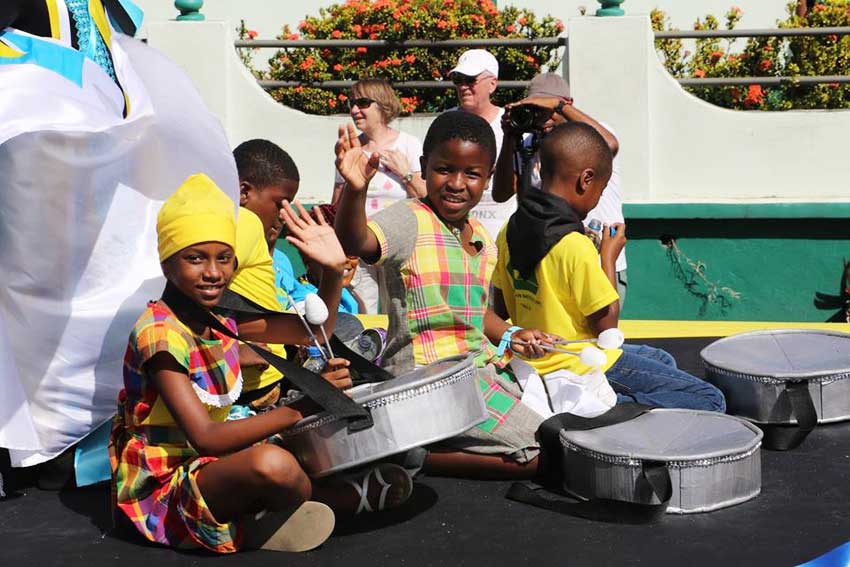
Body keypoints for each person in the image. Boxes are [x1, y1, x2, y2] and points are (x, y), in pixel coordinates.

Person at [109, 174, 412, 554]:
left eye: (224, 258)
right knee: (275, 465)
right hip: (170, 478)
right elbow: (204, 437)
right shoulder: (159, 333)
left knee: (305, 444)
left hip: (217, 460)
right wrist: (308, 403)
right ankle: (340, 499)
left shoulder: (218, 314)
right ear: (167, 264)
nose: (214, 273)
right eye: (195, 258)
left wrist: (333, 272)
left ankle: (260, 516)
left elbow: (310, 334)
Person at [335, 111, 555, 480]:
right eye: (444, 169)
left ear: (487, 178)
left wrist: (514, 335)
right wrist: (355, 190)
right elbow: (356, 240)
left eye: (471, 174)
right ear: (424, 167)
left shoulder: (483, 239)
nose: (456, 183)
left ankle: (421, 441)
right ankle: (415, 457)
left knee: (559, 424)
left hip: (479, 374)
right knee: (542, 453)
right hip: (427, 382)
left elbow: (475, 313)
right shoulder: (411, 220)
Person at [491, 123, 726, 412]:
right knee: (710, 399)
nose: (597, 199)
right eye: (600, 190)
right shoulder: (573, 244)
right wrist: (608, 257)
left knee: (662, 360)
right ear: (585, 180)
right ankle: (605, 411)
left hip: (537, 362)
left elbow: (501, 307)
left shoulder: (508, 229)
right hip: (580, 363)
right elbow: (606, 329)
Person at [492, 73, 629, 304]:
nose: (543, 118)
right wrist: (510, 138)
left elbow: (610, 146)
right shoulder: (528, 142)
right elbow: (502, 193)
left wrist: (559, 106)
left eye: (548, 110)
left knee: (599, 335)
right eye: (536, 110)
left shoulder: (589, 133)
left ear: (567, 105)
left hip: (598, 260)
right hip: (550, 259)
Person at [331, 78, 425, 313]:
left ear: (382, 104)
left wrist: (405, 174)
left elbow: (426, 198)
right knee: (363, 313)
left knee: (402, 311)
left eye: (362, 103)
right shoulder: (349, 148)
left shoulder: (408, 145)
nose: (354, 110)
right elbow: (336, 205)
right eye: (352, 103)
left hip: (399, 246)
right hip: (360, 247)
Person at [447, 49, 512, 241]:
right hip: (453, 231)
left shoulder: (510, 124)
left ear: (492, 84)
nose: (463, 86)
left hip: (500, 231)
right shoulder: (446, 121)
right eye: (458, 79)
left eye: (471, 79)